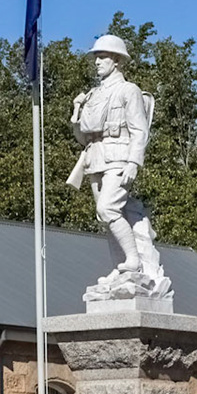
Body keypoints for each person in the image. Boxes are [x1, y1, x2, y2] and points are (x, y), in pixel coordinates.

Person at [66, 34, 170, 301]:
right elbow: (83, 135)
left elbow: (139, 130)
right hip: (96, 158)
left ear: (116, 60)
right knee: (107, 219)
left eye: (102, 57)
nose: (97, 62)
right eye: (96, 57)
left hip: (119, 157)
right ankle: (123, 266)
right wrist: (77, 111)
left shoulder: (128, 90)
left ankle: (133, 261)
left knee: (107, 208)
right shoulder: (92, 95)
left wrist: (134, 161)